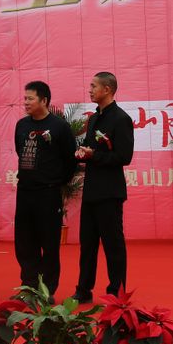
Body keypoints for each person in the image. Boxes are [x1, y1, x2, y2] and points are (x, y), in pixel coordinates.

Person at [72, 72, 134, 303]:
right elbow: (90, 151)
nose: (89, 90)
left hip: (110, 192)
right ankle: (83, 290)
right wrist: (81, 154)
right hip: (91, 191)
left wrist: (94, 155)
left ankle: (116, 291)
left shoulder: (121, 119)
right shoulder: (93, 119)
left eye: (93, 86)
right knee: (87, 245)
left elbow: (123, 157)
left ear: (107, 89)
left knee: (113, 244)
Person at [13, 81, 77, 296]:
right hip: (25, 192)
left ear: (44, 101)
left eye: (30, 98)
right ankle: (29, 287)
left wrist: (56, 182)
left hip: (48, 194)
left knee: (49, 245)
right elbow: (18, 151)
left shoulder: (59, 127)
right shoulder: (21, 125)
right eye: (25, 98)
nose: (26, 102)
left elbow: (70, 161)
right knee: (24, 244)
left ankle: (47, 291)